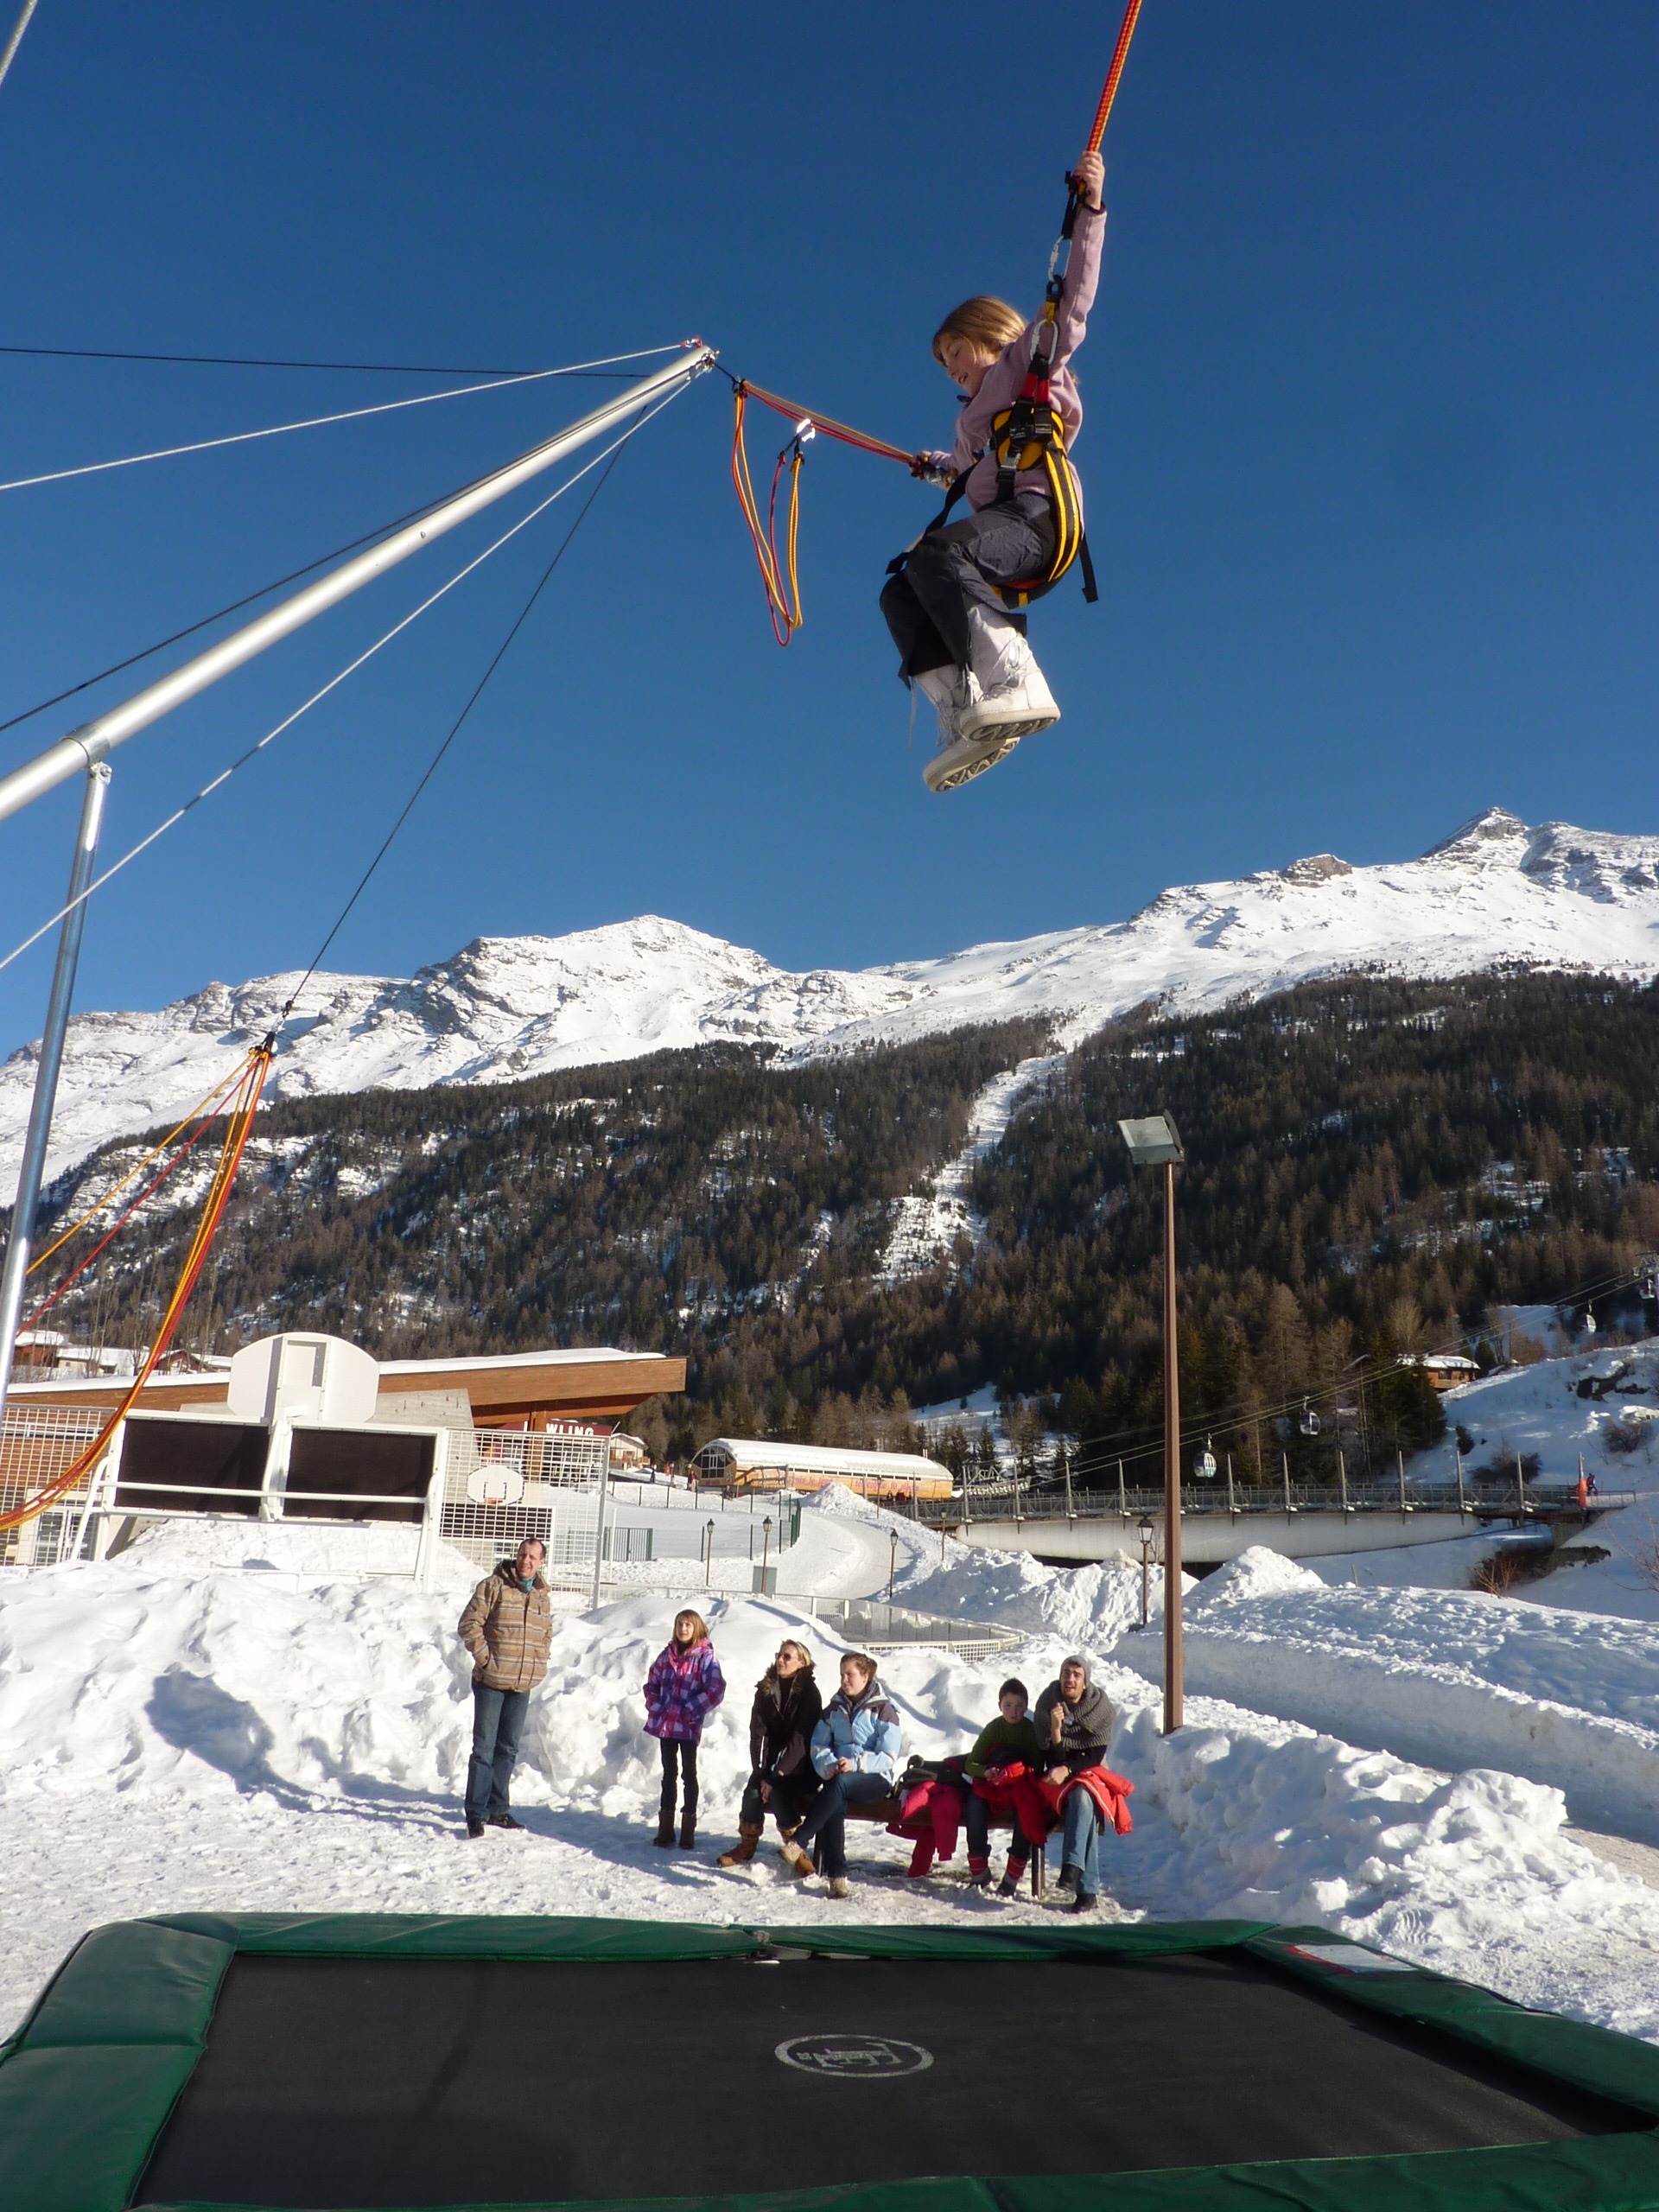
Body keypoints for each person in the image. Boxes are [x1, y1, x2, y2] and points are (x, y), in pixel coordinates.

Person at [881, 146, 1107, 796]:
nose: (953, 370)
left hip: (1040, 520)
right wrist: (938, 466)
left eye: (957, 354)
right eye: (945, 366)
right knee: (899, 589)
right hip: (1000, 536)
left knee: (934, 556)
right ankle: (963, 708)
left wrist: (1090, 209)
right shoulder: (970, 426)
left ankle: (1015, 678)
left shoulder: (1026, 364)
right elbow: (965, 469)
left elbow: (1075, 309)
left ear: (990, 336)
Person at [782, 1652, 902, 1898]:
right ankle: (837, 1878)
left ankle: (800, 1841)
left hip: (874, 1778)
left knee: (838, 1787)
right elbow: (819, 1746)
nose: (844, 1680)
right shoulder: (833, 1709)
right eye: (841, 1675)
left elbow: (888, 1757)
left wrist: (856, 1764)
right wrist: (830, 1765)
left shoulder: (884, 1710)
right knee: (835, 1795)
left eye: (850, 1675)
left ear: (865, 1677)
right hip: (841, 1777)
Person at [456, 1536, 552, 1840]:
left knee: (508, 1748)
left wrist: (540, 1662)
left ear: (541, 1562)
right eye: (523, 1554)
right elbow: (469, 1624)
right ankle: (476, 1813)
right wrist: (487, 1659)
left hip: (521, 1684)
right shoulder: (494, 1585)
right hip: (491, 1681)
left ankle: (498, 1808)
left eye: (533, 1557)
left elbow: (545, 1633)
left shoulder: (541, 1594)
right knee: (483, 1748)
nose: (526, 1560)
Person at [719, 1637, 822, 1866]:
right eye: (779, 1655)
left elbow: (801, 1739)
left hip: (801, 1766)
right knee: (753, 1793)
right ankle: (746, 1846)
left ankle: (796, 1849)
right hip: (772, 1764)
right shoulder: (766, 1691)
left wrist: (778, 1774)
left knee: (779, 1794)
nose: (780, 1660)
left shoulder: (810, 1694)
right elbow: (759, 1734)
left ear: (802, 1663)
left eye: (787, 1657)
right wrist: (763, 1772)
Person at [1033, 1654, 1118, 1912]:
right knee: (1085, 1805)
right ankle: (1085, 1886)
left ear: (1085, 1682)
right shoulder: (1048, 1703)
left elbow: (1094, 1756)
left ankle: (1072, 1869)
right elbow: (1050, 1756)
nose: (1070, 1679)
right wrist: (1056, 1732)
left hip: (1090, 1773)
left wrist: (1068, 1767)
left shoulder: (1100, 1708)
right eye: (1066, 1673)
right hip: (1058, 1780)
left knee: (1085, 1795)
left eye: (1076, 1675)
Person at [643, 1609, 726, 1850]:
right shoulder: (666, 1656)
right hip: (667, 1726)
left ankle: (688, 1829)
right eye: (679, 1624)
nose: (683, 1629)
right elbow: (652, 1683)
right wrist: (657, 1705)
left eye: (688, 1625)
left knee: (689, 1775)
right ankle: (665, 1829)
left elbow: (716, 1689)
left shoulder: (705, 1658)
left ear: (697, 1628)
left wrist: (691, 1709)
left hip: (688, 1727)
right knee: (668, 1774)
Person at [963, 1677, 1042, 1893]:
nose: (1013, 1711)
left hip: (1019, 1786)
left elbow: (1037, 1767)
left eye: (1019, 1706)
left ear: (1026, 1707)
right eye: (1008, 1705)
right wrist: (985, 1772)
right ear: (1000, 1706)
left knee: (1026, 1812)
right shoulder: (993, 1729)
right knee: (975, 1805)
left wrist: (1018, 1773)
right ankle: (979, 1871)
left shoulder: (1030, 1731)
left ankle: (1012, 1877)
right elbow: (972, 1763)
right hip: (993, 1785)